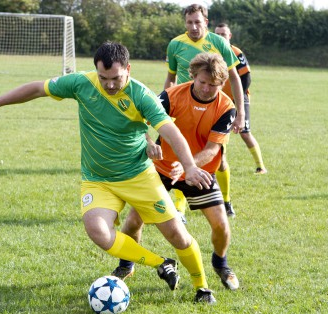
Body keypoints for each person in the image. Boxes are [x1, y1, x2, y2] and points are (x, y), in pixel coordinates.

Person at [0, 41, 216, 304]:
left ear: (128, 69)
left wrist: (189, 166)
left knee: (177, 235)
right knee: (98, 231)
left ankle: (201, 287)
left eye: (116, 78)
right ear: (95, 71)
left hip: (138, 177)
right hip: (97, 180)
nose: (110, 84)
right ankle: (161, 263)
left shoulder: (141, 95)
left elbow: (170, 131)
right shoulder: (81, 83)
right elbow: (37, 88)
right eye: (103, 78)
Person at [112, 52, 240, 291]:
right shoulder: (171, 95)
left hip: (198, 171)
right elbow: (139, 122)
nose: (206, 89)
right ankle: (126, 264)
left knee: (221, 225)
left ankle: (220, 263)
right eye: (202, 82)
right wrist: (149, 142)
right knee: (132, 221)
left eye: (213, 85)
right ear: (193, 77)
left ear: (222, 83)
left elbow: (212, 150)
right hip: (161, 168)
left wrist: (188, 164)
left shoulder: (226, 107)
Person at [165, 4, 245, 218]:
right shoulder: (175, 44)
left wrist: (241, 113)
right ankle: (179, 209)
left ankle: (226, 201)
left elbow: (235, 78)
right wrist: (162, 107)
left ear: (206, 22)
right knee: (181, 155)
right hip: (182, 109)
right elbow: (171, 78)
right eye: (189, 22)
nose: (193, 27)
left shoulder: (218, 42)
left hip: (213, 109)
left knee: (219, 160)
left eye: (197, 22)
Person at [215, 23, 267, 176]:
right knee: (218, 132)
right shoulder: (212, 53)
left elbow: (246, 78)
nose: (220, 37)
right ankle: (219, 165)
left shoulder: (236, 52)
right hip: (219, 99)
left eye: (223, 34)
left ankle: (260, 166)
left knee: (244, 132)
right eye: (217, 34)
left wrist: (236, 99)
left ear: (229, 36)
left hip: (239, 98)